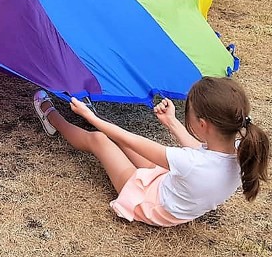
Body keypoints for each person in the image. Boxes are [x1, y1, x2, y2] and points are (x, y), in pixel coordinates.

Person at [33, 77, 269, 227]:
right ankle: (93, 119)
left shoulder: (191, 163)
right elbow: (197, 150)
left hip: (153, 204)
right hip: (176, 192)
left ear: (203, 124)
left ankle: (51, 116)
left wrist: (89, 117)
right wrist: (172, 122)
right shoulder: (242, 151)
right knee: (122, 140)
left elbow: (130, 139)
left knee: (101, 140)